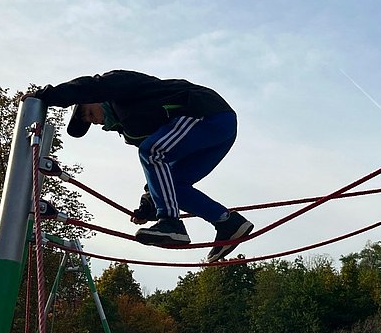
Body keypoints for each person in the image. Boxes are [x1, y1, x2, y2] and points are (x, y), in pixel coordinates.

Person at [26, 70, 253, 262]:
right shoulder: (131, 131)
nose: (92, 120)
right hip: (216, 133)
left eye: (87, 113)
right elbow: (159, 170)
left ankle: (171, 223)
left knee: (151, 152)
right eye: (89, 122)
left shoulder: (121, 91)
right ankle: (228, 222)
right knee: (173, 185)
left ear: (94, 98)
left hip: (206, 113)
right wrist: (148, 202)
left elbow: (92, 85)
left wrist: (46, 96)